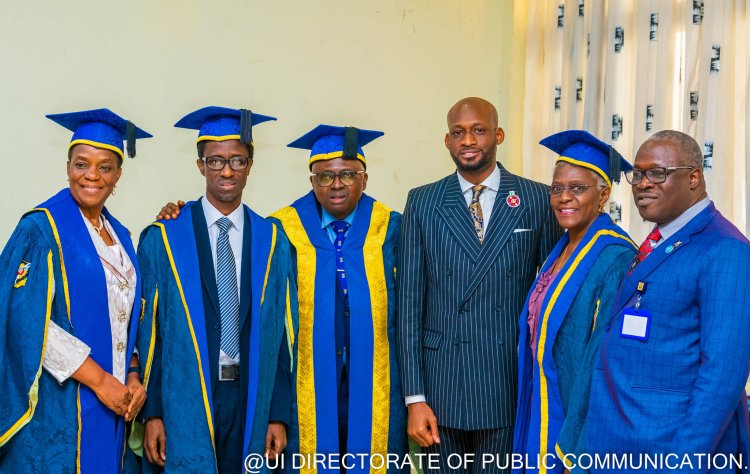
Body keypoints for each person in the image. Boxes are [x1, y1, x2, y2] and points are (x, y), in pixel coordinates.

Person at [397, 97, 563, 473]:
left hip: (506, 379)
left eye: (478, 130)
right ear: (446, 141)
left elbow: (552, 292)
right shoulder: (423, 202)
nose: (468, 140)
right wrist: (415, 398)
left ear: (498, 135)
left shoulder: (535, 198)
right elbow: (408, 306)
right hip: (440, 386)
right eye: (458, 132)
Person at [578, 130, 750, 474]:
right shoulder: (660, 239)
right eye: (637, 174)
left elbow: (723, 377)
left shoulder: (725, 250)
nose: (643, 184)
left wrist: (684, 463)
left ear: (693, 177)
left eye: (658, 173)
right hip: (615, 441)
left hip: (663, 449)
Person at [134, 107, 294, 473]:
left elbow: (280, 336)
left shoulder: (273, 241)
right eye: (216, 160)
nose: (226, 170)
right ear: (200, 165)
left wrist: (278, 413)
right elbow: (150, 334)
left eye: (237, 160)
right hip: (185, 398)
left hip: (251, 394)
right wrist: (154, 412)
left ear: (250, 165)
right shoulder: (165, 239)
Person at [0, 108, 151, 473]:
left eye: (105, 167)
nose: (92, 176)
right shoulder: (41, 229)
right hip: (60, 404)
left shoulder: (120, 236)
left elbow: (125, 315)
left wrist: (131, 375)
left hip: (115, 404)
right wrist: (101, 382)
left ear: (118, 174)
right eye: (82, 164)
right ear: (68, 166)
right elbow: (26, 320)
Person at [271, 125, 407, 472]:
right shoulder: (282, 229)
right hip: (308, 382)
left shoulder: (391, 228)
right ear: (312, 180)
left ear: (365, 178)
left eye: (348, 174)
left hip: (378, 380)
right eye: (325, 176)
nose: (336, 184)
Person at [511, 130, 637, 474]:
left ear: (604, 195)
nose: (563, 197)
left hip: (573, 416)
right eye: (557, 188)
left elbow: (602, 360)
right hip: (541, 401)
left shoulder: (616, 257)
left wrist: (575, 450)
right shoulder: (563, 247)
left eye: (578, 188)